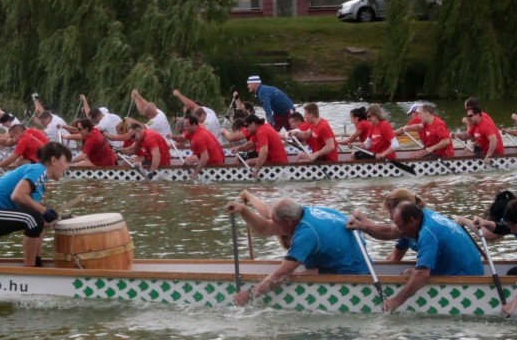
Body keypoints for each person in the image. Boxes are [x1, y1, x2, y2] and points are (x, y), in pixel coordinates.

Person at [233, 198, 368, 306]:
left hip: (353, 273)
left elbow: (282, 274)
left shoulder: (306, 234)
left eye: (276, 222)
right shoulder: (305, 211)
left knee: (292, 275)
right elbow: (265, 228)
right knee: (297, 272)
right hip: (358, 263)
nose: (275, 226)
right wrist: (243, 210)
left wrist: (250, 294)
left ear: (288, 222)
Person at [0, 141, 72, 266]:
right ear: (54, 160)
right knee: (34, 218)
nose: (67, 167)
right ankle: (30, 269)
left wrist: (57, 218)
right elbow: (17, 195)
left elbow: (33, 211)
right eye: (66, 161)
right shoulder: (39, 170)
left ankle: (37, 263)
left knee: (36, 219)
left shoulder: (40, 182)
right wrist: (44, 211)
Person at [381, 201, 483, 313]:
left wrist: (396, 301)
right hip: (472, 272)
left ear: (411, 220)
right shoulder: (425, 214)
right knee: (411, 272)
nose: (399, 231)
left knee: (412, 274)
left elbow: (422, 275)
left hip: (467, 283)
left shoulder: (427, 233)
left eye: (400, 227)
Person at [175, 114, 225, 178]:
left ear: (193, 125)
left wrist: (195, 173)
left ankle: (180, 177)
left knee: (189, 161)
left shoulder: (199, 137)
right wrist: (173, 137)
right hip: (215, 160)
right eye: (184, 126)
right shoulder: (194, 130)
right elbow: (181, 139)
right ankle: (181, 176)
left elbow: (205, 158)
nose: (184, 128)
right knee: (189, 161)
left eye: (186, 126)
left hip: (214, 165)